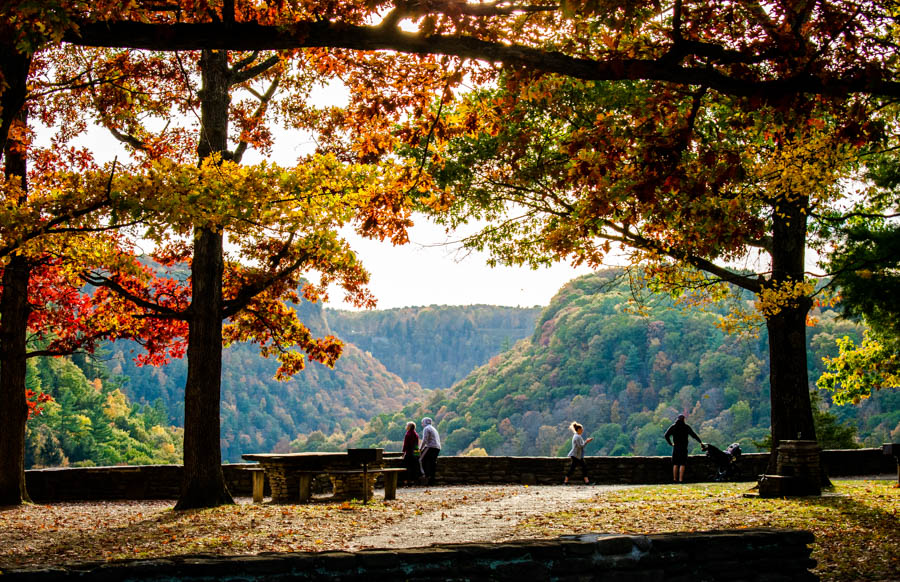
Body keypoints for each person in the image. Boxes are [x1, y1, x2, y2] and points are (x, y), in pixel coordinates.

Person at [664, 414, 704, 483]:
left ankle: (674, 479)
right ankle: (681, 479)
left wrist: (670, 443)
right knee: (682, 464)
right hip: (684, 447)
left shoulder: (673, 427)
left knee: (675, 463)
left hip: (676, 447)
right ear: (683, 419)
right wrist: (700, 441)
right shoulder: (686, 427)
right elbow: (693, 435)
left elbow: (666, 435)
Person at [419, 417, 441, 486]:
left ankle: (425, 475)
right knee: (432, 463)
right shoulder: (433, 428)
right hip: (437, 447)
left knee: (421, 459)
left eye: (422, 422)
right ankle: (432, 480)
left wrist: (420, 448)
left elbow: (425, 439)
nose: (422, 424)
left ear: (425, 422)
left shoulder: (426, 428)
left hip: (431, 447)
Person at [401, 421, 422, 486]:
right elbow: (417, 445)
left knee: (408, 467)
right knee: (415, 467)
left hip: (409, 453)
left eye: (407, 425)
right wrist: (417, 453)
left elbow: (406, 444)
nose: (406, 427)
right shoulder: (416, 434)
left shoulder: (408, 434)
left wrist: (403, 452)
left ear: (409, 427)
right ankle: (415, 481)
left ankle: (408, 481)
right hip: (415, 452)